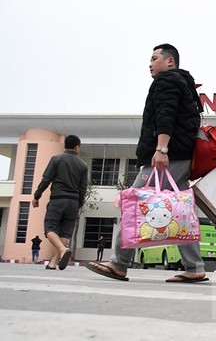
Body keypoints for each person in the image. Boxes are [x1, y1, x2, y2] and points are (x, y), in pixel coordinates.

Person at [86, 43, 207, 283]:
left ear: (169, 61)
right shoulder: (184, 83)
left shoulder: (166, 81)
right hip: (182, 156)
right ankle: (194, 267)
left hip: (167, 155)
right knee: (183, 211)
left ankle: (118, 264)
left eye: (154, 58)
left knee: (132, 202)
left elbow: (165, 114)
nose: (149, 64)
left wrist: (161, 149)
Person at [32, 134, 88, 271]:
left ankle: (63, 249)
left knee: (49, 228)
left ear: (66, 146)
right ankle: (53, 263)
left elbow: (46, 179)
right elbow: (83, 188)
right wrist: (79, 203)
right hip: (73, 202)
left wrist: (37, 196)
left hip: (58, 199)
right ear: (77, 147)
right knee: (64, 233)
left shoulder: (56, 159)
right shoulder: (83, 165)